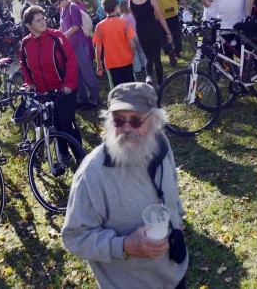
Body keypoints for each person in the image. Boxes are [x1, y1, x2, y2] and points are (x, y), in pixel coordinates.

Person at [61, 83, 188, 289]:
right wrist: (124, 246)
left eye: (136, 120)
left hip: (175, 274)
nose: (127, 128)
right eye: (119, 120)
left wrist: (177, 219)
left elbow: (171, 179)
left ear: (155, 121)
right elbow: (74, 237)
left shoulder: (161, 144)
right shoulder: (92, 174)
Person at [19, 6, 83, 158]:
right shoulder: (25, 44)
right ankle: (63, 154)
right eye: (38, 20)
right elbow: (25, 65)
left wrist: (68, 84)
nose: (43, 22)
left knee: (67, 123)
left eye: (43, 18)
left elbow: (71, 62)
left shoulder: (57, 37)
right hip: (44, 93)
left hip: (64, 89)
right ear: (29, 25)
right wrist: (30, 83)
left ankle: (80, 156)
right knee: (54, 124)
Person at [52, 0, 99, 111]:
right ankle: (82, 99)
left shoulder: (73, 7)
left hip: (79, 45)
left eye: (58, 3)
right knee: (76, 75)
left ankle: (94, 99)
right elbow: (63, 26)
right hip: (70, 48)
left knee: (87, 73)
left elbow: (76, 26)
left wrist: (63, 35)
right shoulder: (62, 9)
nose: (58, 6)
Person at [130, 0, 173, 87]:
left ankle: (148, 76)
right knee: (157, 57)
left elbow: (135, 18)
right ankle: (160, 83)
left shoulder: (130, 1)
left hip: (141, 30)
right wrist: (168, 32)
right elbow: (160, 17)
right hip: (154, 29)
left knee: (148, 56)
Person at [146, 0, 190, 66]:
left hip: (159, 12)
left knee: (163, 34)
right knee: (175, 31)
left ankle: (169, 50)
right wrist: (186, 8)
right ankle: (178, 50)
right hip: (173, 9)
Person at [93, 0, 137, 87]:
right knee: (132, 88)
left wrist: (99, 65)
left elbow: (98, 49)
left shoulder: (99, 26)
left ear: (103, 10)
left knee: (118, 91)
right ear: (116, 8)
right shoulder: (124, 23)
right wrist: (131, 57)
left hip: (111, 64)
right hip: (127, 61)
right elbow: (132, 45)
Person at [118, 0, 147, 77]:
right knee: (141, 51)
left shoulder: (121, 18)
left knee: (135, 54)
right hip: (138, 34)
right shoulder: (133, 15)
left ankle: (138, 70)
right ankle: (145, 66)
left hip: (130, 36)